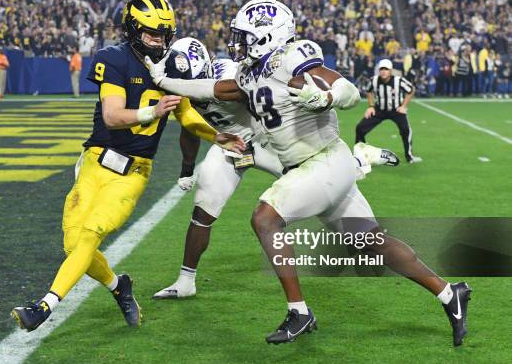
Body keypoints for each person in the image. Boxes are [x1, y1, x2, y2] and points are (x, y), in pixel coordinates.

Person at [146, 0, 471, 347]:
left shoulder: (292, 57)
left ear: (266, 34)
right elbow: (211, 88)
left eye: (244, 35)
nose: (237, 43)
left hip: (322, 162)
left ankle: (299, 312)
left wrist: (328, 98)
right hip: (317, 167)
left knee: (265, 218)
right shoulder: (249, 72)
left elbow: (347, 89)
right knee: (370, 243)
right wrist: (166, 80)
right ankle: (448, 293)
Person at [10, 0, 245, 333]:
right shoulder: (114, 58)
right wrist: (153, 110)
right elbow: (112, 116)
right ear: (133, 30)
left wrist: (217, 136)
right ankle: (119, 286)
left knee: (91, 235)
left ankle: (45, 306)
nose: (160, 40)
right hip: (94, 161)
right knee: (74, 244)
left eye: (164, 33)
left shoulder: (171, 67)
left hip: (133, 171)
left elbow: (187, 117)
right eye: (151, 32)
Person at [152, 38, 398, 300]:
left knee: (318, 188)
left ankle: (359, 162)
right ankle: (186, 280)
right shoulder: (183, 90)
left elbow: (227, 91)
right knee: (204, 206)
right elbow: (190, 128)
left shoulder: (227, 70)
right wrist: (187, 169)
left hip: (267, 141)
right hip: (229, 144)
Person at [355, 59, 421, 163]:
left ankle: (409, 156)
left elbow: (411, 89)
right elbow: (368, 91)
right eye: (381, 69)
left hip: (396, 110)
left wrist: (403, 106)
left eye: (386, 69)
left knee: (406, 130)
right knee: (360, 128)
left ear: (390, 71)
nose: (383, 71)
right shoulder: (374, 80)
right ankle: (361, 155)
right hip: (379, 110)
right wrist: (371, 106)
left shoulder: (398, 81)